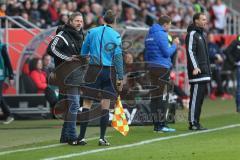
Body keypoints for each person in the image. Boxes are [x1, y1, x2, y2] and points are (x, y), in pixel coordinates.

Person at [79, 10, 124, 146]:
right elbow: (118, 58)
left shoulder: (92, 32)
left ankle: (81, 137)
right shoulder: (116, 35)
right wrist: (120, 77)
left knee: (87, 103)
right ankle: (102, 138)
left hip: (93, 69)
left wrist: (84, 65)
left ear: (103, 19)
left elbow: (83, 51)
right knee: (105, 105)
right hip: (108, 71)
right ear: (114, 21)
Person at [48, 12, 84, 145]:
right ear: (70, 21)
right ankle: (73, 137)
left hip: (77, 74)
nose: (79, 23)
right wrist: (67, 58)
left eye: (81, 21)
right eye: (77, 21)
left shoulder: (81, 35)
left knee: (71, 105)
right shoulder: (63, 34)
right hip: (67, 75)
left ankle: (66, 137)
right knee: (74, 104)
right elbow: (51, 48)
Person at [144, 15, 179, 132]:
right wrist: (175, 44)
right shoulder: (162, 34)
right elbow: (166, 52)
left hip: (152, 68)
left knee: (155, 97)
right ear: (165, 24)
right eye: (170, 24)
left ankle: (156, 125)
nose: (169, 27)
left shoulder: (149, 35)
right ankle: (161, 125)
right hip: (162, 68)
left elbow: (146, 55)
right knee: (161, 97)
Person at [185, 12, 211, 130]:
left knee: (199, 99)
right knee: (195, 98)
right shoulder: (192, 34)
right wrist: (195, 67)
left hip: (204, 72)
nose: (205, 21)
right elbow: (190, 51)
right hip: (197, 72)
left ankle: (196, 122)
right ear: (196, 21)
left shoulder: (201, 34)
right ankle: (193, 123)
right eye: (203, 19)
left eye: (206, 19)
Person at [223, 35, 240, 112]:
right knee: (238, 87)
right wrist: (234, 62)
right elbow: (226, 51)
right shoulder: (236, 42)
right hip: (237, 67)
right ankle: (238, 106)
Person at [0, 41, 14, 124]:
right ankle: (7, 115)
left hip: (1, 76)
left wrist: (11, 76)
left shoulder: (2, 46)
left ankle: (8, 114)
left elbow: (7, 61)